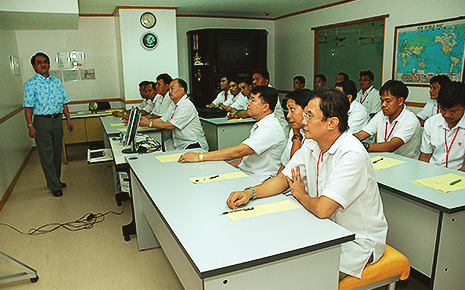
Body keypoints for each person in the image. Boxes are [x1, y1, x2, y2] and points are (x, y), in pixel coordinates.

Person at [226, 87, 387, 280]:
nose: (303, 121)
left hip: (355, 241)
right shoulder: (312, 144)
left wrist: (300, 194)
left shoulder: (351, 154)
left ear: (332, 123)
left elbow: (323, 209)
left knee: (305, 278)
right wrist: (251, 192)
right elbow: (283, 179)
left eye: (310, 116)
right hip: (322, 227)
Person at [179, 86, 286, 183]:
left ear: (265, 107)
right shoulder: (261, 124)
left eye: (253, 100)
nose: (248, 103)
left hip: (258, 179)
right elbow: (244, 159)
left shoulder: (270, 128)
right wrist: (226, 169)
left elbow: (239, 151)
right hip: (246, 173)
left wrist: (200, 156)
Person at [23, 52, 74, 197]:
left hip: (57, 120)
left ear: (49, 64)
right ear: (34, 66)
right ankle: (54, 185)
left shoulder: (56, 81)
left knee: (57, 152)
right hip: (41, 122)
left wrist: (68, 119)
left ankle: (55, 180)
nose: (43, 64)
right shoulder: (30, 84)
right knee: (46, 154)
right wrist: (30, 125)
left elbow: (64, 102)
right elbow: (28, 108)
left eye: (45, 61)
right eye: (39, 62)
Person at [354, 80, 422, 159]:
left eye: (388, 101)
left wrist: (363, 146)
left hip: (404, 164)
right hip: (381, 159)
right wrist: (346, 140)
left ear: (400, 101)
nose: (383, 105)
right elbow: (362, 134)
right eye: (382, 100)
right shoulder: (381, 114)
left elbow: (391, 146)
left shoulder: (410, 120)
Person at [140, 78, 208, 151]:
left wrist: (149, 123)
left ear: (182, 90)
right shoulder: (173, 104)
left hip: (193, 144)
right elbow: (163, 119)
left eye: (172, 88)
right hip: (180, 144)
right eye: (169, 89)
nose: (169, 91)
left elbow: (171, 125)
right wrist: (146, 120)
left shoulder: (186, 105)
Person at [419, 81, 465, 171]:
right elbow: (424, 158)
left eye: (454, 111)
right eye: (443, 109)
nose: (447, 114)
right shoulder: (431, 123)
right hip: (432, 172)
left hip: (458, 175)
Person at [278, 89, 314, 172]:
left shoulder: (314, 134)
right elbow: (285, 164)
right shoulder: (295, 129)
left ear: (306, 111)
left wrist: (297, 136)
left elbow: (296, 166)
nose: (288, 115)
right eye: (288, 110)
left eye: (292, 109)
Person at [252, 69, 289, 134]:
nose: (254, 82)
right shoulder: (257, 93)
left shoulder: (269, 93)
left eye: (257, 79)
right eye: (253, 79)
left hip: (279, 128)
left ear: (266, 81)